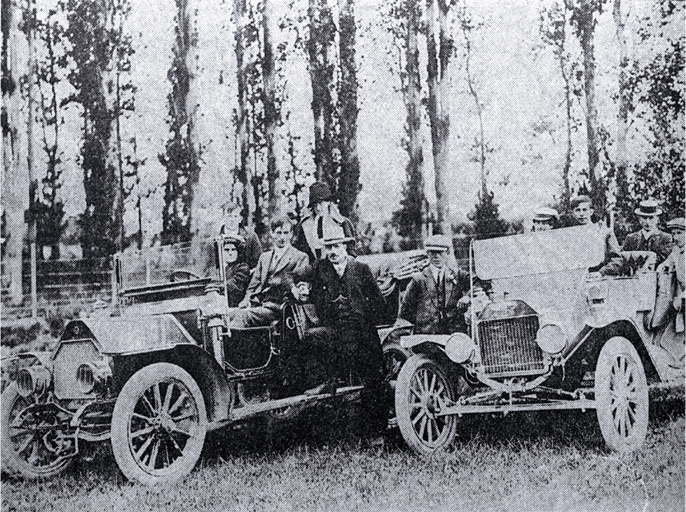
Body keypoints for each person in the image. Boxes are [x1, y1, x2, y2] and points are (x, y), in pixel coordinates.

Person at [291, 223, 387, 439]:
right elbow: (293, 276)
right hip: (335, 330)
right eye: (329, 247)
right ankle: (328, 394)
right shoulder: (319, 268)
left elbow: (379, 302)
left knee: (373, 379)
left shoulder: (360, 269)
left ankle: (376, 434)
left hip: (362, 332)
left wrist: (364, 317)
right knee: (311, 340)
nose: (333, 252)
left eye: (336, 246)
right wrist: (297, 290)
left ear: (345, 246)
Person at [228, 216, 308, 328]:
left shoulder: (300, 257)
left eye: (286, 233)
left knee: (243, 316)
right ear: (272, 233)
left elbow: (300, 285)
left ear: (291, 234)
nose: (282, 237)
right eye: (278, 233)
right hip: (259, 304)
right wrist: (246, 300)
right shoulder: (264, 257)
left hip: (279, 308)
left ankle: (234, 345)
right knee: (229, 314)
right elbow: (253, 285)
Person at [397, 234, 470, 335]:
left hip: (454, 336)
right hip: (427, 338)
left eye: (440, 252)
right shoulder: (418, 280)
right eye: (432, 252)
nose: (436, 256)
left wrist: (467, 297)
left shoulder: (458, 275)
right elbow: (405, 312)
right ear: (427, 253)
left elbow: (478, 284)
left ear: (447, 252)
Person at [600, 199, 673, 275]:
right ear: (639, 218)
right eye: (644, 218)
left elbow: (664, 259)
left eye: (651, 218)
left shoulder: (665, 238)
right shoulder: (631, 238)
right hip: (634, 280)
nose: (647, 222)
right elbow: (622, 260)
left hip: (657, 279)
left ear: (657, 219)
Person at [293, 181, 356, 262]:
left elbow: (351, 251)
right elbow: (299, 250)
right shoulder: (305, 225)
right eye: (315, 204)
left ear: (328, 202)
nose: (318, 208)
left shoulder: (342, 222)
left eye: (321, 203)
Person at [569, 194, 621, 270]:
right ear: (573, 213)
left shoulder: (604, 232)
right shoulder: (570, 235)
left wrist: (601, 272)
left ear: (591, 211)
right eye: (577, 210)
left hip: (600, 278)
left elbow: (617, 260)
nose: (581, 214)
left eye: (584, 210)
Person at [658, 217, 685, 333]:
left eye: (680, 233)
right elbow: (667, 263)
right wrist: (660, 268)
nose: (676, 237)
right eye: (674, 234)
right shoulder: (676, 251)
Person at [219, 200, 262, 269]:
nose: (232, 220)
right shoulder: (216, 238)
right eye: (229, 216)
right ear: (223, 217)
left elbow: (259, 263)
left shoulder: (251, 237)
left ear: (240, 219)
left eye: (235, 216)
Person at [222, 236, 251, 307]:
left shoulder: (243, 267)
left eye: (233, 249)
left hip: (235, 306)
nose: (230, 253)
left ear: (238, 252)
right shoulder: (216, 269)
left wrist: (218, 286)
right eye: (226, 250)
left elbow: (235, 284)